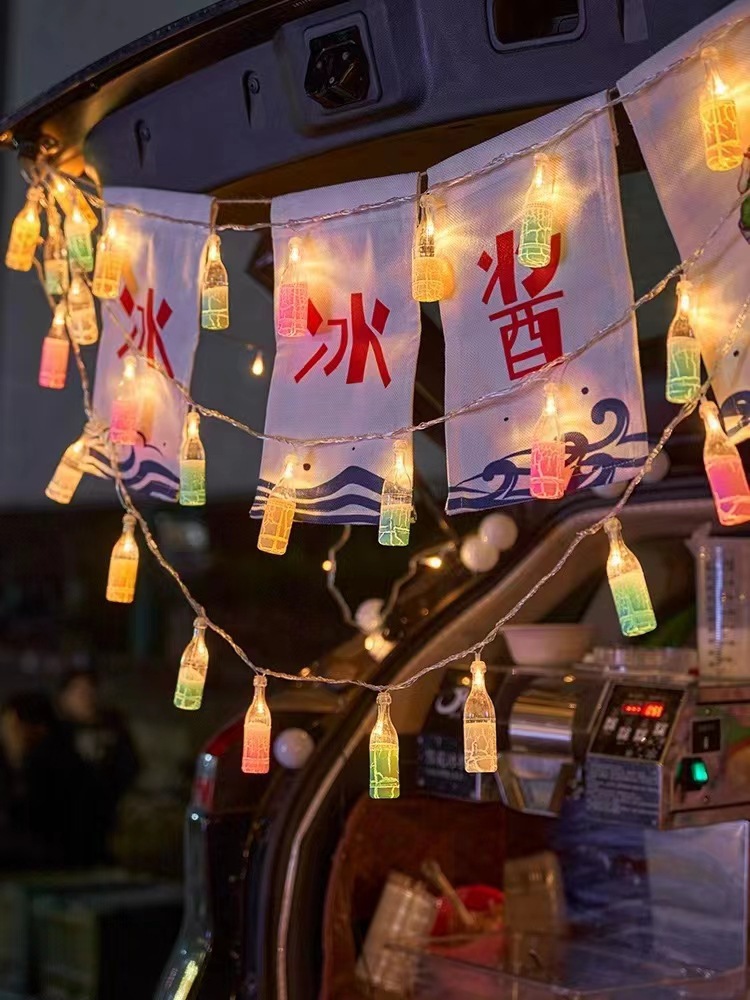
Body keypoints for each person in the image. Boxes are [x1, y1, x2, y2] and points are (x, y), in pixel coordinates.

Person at [0, 691, 95, 868]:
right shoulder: (10, 764)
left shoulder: (65, 769)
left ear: (37, 729)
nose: (7, 735)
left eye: (13, 727)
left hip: (53, 862)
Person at [57, 669, 140, 859]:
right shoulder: (57, 735)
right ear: (64, 697)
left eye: (90, 692)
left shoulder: (113, 729)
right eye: (79, 693)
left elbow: (130, 765)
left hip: (104, 818)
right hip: (65, 821)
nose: (87, 699)